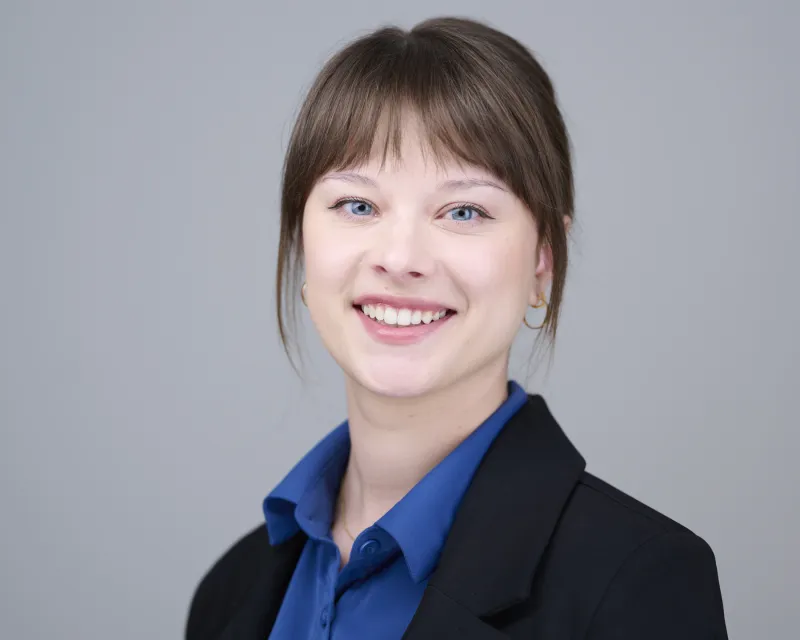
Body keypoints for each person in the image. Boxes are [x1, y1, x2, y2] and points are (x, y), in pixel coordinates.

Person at [185, 16, 728, 640]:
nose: (400, 257)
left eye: (464, 210)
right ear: (303, 244)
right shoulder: (230, 590)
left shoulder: (636, 583)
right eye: (357, 206)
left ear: (542, 260)